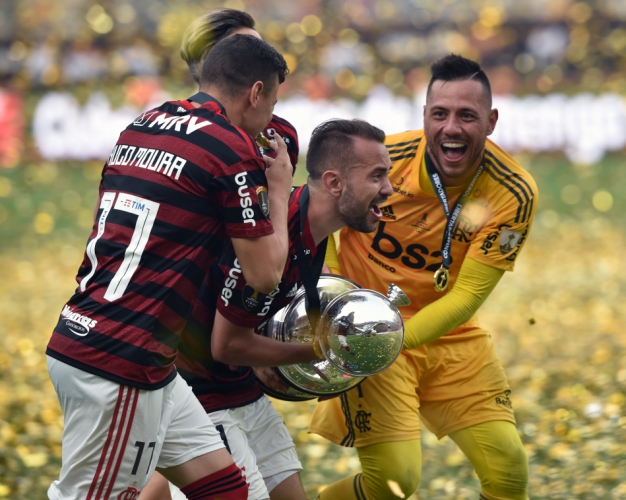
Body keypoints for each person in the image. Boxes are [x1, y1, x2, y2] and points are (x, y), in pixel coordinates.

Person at [45, 34, 292, 500]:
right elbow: (265, 276)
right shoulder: (229, 146)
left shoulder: (144, 122)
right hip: (121, 360)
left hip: (112, 341)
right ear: (255, 93)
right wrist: (279, 189)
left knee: (224, 491)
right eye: (273, 102)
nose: (272, 120)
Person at [309, 54, 538, 500]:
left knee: (509, 470)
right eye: (440, 114)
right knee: (392, 484)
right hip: (369, 335)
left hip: (447, 334)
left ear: (491, 122)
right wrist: (333, 289)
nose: (451, 128)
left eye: (467, 116)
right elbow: (317, 213)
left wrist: (399, 338)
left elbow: (469, 294)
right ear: (425, 117)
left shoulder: (513, 193)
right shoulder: (383, 161)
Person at [142, 119, 393, 500]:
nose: (388, 189)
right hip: (197, 395)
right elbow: (226, 346)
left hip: (237, 389)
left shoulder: (306, 222)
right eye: (377, 176)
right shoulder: (272, 236)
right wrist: (321, 351)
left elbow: (302, 282)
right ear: (334, 183)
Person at [180, 9, 299, 170]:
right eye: (246, 49)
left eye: (261, 48)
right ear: (212, 64)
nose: (264, 59)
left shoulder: (282, 135)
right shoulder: (175, 134)